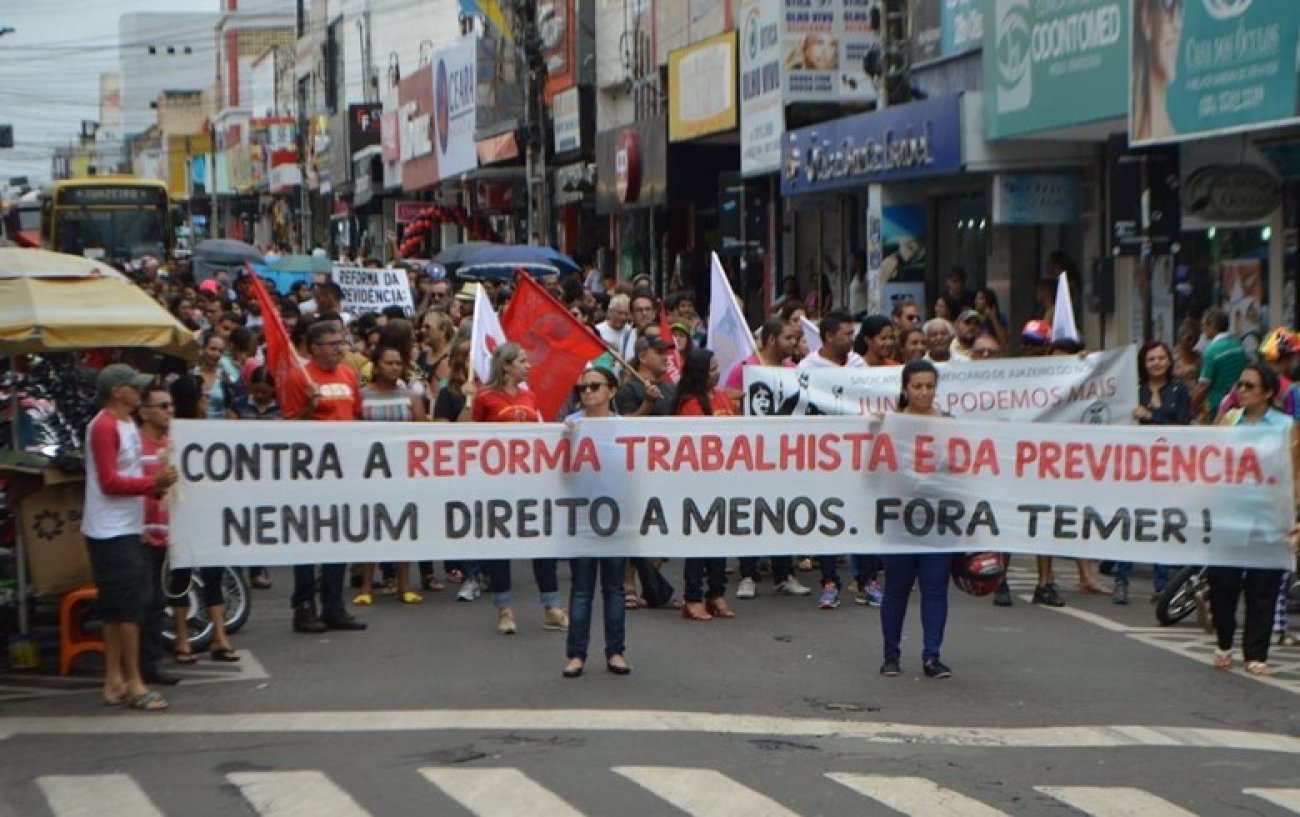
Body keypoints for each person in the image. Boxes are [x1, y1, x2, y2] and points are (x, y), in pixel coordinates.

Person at [83, 364, 178, 711]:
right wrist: (151, 485)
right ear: (116, 391)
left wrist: (155, 487)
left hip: (125, 525)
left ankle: (114, 681)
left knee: (118, 608)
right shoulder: (104, 426)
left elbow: (129, 476)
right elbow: (110, 481)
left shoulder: (124, 425)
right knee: (128, 610)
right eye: (133, 387)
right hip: (110, 529)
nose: (139, 392)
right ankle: (134, 682)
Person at [474, 342, 569, 635]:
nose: (529, 365)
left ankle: (551, 607)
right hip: (498, 481)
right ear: (505, 366)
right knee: (501, 543)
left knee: (541, 542)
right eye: (523, 361)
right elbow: (470, 437)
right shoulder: (484, 397)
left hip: (530, 478)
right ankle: (504, 609)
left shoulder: (529, 394)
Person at [281, 320, 368, 634]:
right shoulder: (298, 378)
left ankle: (334, 606)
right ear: (314, 347)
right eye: (332, 343)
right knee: (307, 540)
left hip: (342, 470)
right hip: (310, 472)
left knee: (338, 539)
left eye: (341, 342)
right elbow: (288, 427)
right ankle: (303, 606)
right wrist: (309, 406)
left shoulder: (347, 374)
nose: (339, 348)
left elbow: (355, 415)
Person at [1210, 363, 1294, 676]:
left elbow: (1294, 473)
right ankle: (1223, 642)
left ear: (1268, 393)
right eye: (1239, 385)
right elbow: (1207, 458)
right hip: (1230, 516)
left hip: (1268, 517)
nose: (1240, 391)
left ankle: (1256, 654)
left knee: (1264, 588)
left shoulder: (1286, 426)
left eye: (1249, 386)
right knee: (1223, 585)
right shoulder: (1230, 420)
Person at [725, 318, 810, 600]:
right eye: (788, 338)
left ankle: (784, 574)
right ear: (772, 339)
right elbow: (727, 404)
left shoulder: (792, 371)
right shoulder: (745, 368)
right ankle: (748, 574)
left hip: (784, 455)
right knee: (751, 511)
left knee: (783, 512)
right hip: (750, 454)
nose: (793, 344)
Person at [880, 359, 953, 679]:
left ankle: (932, 656)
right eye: (917, 386)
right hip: (900, 518)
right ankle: (890, 655)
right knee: (897, 588)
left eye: (930, 386)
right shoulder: (891, 423)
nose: (924, 392)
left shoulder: (950, 424)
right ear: (905, 389)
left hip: (939, 519)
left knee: (935, 589)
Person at [163, 375, 242, 664]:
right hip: (182, 510)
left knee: (213, 573)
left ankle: (219, 637)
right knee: (181, 575)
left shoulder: (210, 430)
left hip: (209, 509)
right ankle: (182, 638)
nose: (207, 401)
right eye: (204, 396)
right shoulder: (171, 434)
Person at [561, 366, 631, 678]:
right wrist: (566, 443)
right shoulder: (569, 426)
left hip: (615, 518)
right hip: (581, 517)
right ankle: (576, 655)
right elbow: (560, 474)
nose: (588, 392)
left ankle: (615, 652)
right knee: (581, 590)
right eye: (583, 388)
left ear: (611, 391)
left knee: (614, 589)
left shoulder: (624, 428)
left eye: (594, 386)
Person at [1114, 341, 1190, 604]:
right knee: (1129, 520)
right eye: (1151, 359)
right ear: (1143, 364)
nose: (1156, 363)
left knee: (1162, 523)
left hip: (1167, 468)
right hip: (1135, 467)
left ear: (1169, 361)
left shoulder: (1179, 390)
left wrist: (1151, 417)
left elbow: (1183, 425)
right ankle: (1121, 580)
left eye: (1161, 358)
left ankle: (1161, 585)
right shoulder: (1133, 392)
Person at [353, 343, 429, 607]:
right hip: (370, 473)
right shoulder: (362, 396)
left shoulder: (410, 397)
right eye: (389, 363)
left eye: (398, 363)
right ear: (376, 364)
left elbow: (422, 435)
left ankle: (404, 585)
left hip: (403, 473)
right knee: (371, 528)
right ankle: (366, 585)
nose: (394, 368)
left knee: (402, 528)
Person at [674, 349, 737, 621]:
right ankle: (692, 597)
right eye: (712, 369)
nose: (717, 373)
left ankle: (716, 592)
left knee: (719, 540)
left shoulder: (722, 396)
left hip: (723, 480)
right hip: (696, 483)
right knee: (698, 542)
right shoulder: (688, 404)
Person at [432, 333, 482, 601]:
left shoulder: (488, 392)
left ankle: (483, 570)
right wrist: (467, 402)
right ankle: (468, 572)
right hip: (458, 468)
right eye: (465, 359)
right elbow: (446, 431)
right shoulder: (447, 394)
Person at [1131, 0, 1183, 142]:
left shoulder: (1172, 136)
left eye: (1180, 7)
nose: (1177, 24)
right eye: (1168, 5)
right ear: (1147, 18)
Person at [1195, 308, 1247, 421]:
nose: (1202, 330)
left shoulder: (1211, 351)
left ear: (1212, 326)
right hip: (1239, 402)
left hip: (1217, 406)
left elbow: (1203, 386)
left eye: (1204, 326)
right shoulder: (1238, 345)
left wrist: (1192, 405)